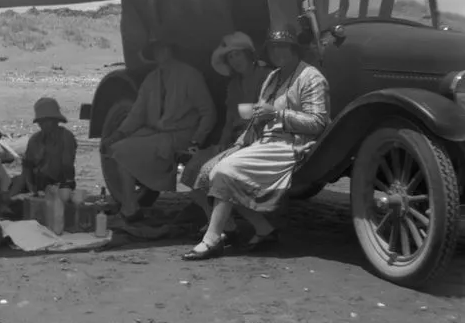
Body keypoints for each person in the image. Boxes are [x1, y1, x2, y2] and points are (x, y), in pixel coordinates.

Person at [182, 29, 331, 261]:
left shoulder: (311, 78)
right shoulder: (274, 78)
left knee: (225, 171)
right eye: (273, 48)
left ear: (294, 49)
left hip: (291, 144)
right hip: (263, 142)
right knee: (214, 173)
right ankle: (263, 229)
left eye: (283, 47)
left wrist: (277, 113)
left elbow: (318, 123)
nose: (278, 52)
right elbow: (257, 117)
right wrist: (240, 143)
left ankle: (212, 239)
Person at [99, 36, 217, 222]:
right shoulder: (152, 79)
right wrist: (117, 134)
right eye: (156, 50)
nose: (160, 53)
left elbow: (208, 112)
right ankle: (130, 206)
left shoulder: (189, 75)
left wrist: (197, 140)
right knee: (118, 147)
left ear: (171, 50)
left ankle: (130, 208)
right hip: (158, 135)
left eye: (163, 48)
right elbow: (136, 114)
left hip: (181, 135)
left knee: (124, 151)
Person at [180, 31, 272, 222]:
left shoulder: (267, 77)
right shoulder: (234, 85)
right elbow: (230, 119)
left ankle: (247, 227)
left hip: (260, 139)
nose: (235, 60)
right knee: (193, 169)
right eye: (230, 57)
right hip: (236, 139)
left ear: (247, 54)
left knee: (216, 173)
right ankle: (223, 226)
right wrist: (223, 142)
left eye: (237, 54)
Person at [10, 97, 77, 195]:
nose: (44, 124)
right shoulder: (34, 140)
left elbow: (67, 167)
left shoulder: (66, 137)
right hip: (36, 185)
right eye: (41, 121)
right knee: (8, 186)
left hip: (60, 186)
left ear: (56, 120)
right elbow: (27, 168)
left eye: (47, 121)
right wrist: (32, 188)